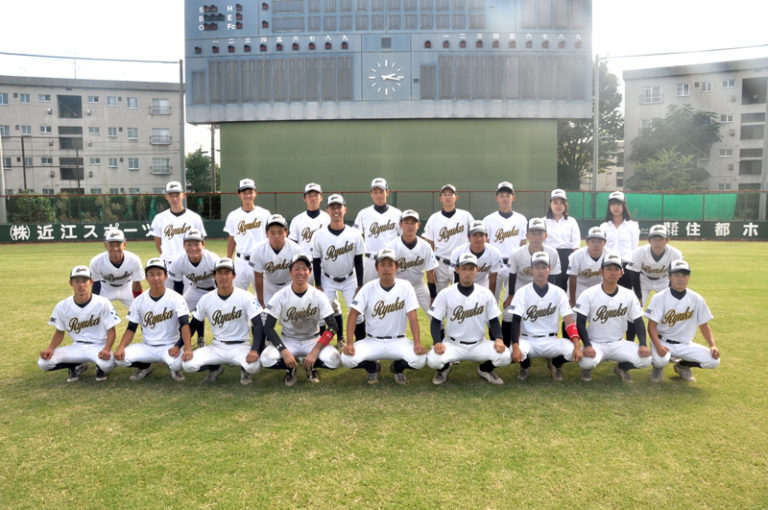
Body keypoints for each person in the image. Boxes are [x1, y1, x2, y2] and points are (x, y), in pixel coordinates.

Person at [341, 248, 426, 384]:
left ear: (396, 267)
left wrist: (417, 343)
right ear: (377, 267)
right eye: (383, 265)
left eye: (390, 265)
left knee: (420, 360)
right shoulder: (368, 287)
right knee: (346, 359)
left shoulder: (405, 286)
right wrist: (350, 343)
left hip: (398, 341)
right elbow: (353, 314)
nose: (386, 268)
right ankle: (373, 367)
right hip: (372, 342)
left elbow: (413, 317)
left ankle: (397, 367)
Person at [426, 253, 511, 385]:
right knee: (432, 360)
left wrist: (499, 339)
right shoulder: (446, 293)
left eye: (471, 268)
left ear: (477, 270)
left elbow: (494, 320)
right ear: (457, 269)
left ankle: (484, 370)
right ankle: (444, 369)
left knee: (505, 356)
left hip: (479, 344)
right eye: (464, 268)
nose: (467, 272)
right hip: (453, 344)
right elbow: (436, 321)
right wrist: (437, 342)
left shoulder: (485, 293)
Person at [500, 251, 583, 382]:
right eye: (537, 267)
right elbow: (515, 321)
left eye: (544, 267)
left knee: (574, 350)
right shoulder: (522, 292)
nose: (540, 271)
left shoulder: (558, 292)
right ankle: (525, 366)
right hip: (528, 341)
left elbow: (568, 320)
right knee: (512, 351)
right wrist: (515, 345)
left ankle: (556, 364)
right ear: (531, 270)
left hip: (551, 340)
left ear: (549, 269)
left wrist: (577, 344)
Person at [260, 254, 341, 385]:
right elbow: (268, 328)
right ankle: (290, 368)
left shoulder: (319, 295)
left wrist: (315, 351)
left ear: (309, 272)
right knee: (266, 359)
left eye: (305, 269)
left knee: (334, 360)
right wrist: (283, 351)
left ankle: (311, 367)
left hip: (312, 339)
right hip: (289, 339)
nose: (301, 272)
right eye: (297, 268)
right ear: (290, 272)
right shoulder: (280, 295)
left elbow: (333, 326)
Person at [181, 258, 263, 385]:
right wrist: (181, 346)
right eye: (219, 273)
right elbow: (193, 326)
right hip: (217, 346)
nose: (223, 276)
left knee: (254, 366)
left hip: (241, 346)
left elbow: (258, 325)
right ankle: (216, 368)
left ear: (233, 275)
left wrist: (254, 350)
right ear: (214, 275)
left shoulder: (246, 296)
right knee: (187, 365)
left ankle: (244, 370)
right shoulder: (206, 299)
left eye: (227, 272)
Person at [573, 253, 651, 382]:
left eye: (616, 269)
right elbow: (580, 323)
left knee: (646, 360)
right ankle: (588, 368)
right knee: (586, 362)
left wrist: (643, 344)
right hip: (595, 343)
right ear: (601, 272)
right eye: (608, 269)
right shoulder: (588, 294)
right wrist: (587, 345)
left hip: (618, 343)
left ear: (621, 273)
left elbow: (638, 321)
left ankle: (621, 368)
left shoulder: (629, 294)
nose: (612, 272)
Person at [113, 258, 192, 382]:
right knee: (119, 358)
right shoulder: (139, 300)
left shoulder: (176, 298)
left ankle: (174, 368)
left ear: (165, 276)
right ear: (146, 277)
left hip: (170, 346)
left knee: (177, 363)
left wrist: (186, 348)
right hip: (147, 346)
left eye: (159, 274)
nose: (156, 278)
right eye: (151, 274)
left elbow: (184, 325)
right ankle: (145, 367)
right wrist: (121, 347)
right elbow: (131, 328)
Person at [38, 265, 121, 382]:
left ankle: (100, 367)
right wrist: (51, 348)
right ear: (70, 283)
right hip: (76, 346)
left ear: (91, 282)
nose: (81, 285)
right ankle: (75, 366)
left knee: (107, 364)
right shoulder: (62, 305)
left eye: (84, 281)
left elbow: (111, 330)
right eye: (76, 281)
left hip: (99, 346)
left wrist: (107, 349)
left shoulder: (102, 303)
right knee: (43, 363)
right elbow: (59, 332)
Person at [646, 259, 720, 383]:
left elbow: (704, 325)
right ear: (669, 277)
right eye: (676, 275)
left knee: (714, 361)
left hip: (685, 344)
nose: (680, 278)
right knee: (661, 360)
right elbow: (651, 326)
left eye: (684, 275)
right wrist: (658, 346)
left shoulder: (696, 298)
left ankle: (683, 365)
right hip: (663, 341)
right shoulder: (660, 297)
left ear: (689, 277)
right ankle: (658, 368)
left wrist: (712, 345)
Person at [312, 193, 365, 347]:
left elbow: (358, 261)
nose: (336, 210)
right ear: (327, 210)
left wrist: (360, 284)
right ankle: (323, 348)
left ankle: (361, 346)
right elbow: (316, 261)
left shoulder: (354, 233)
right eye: (332, 207)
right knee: (322, 315)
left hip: (350, 279)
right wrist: (319, 285)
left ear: (345, 210)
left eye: (339, 207)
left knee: (358, 313)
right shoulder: (319, 235)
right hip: (327, 279)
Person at [168, 229, 219, 348]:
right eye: (189, 244)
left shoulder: (212, 259)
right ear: (183, 245)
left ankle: (221, 341)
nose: (193, 248)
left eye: (196, 244)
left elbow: (221, 282)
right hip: (195, 289)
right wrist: (178, 305)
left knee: (221, 314)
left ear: (203, 244)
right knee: (176, 312)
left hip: (215, 290)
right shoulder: (178, 261)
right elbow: (178, 286)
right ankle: (173, 341)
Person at [150, 181, 207, 288]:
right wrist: (168, 255)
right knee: (168, 297)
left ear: (183, 195)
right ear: (166, 196)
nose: (174, 198)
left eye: (177, 194)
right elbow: (158, 243)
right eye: (171, 195)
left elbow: (201, 242)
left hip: (188, 263)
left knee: (188, 298)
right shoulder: (159, 218)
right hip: (167, 263)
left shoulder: (194, 217)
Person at [422, 184, 475, 293]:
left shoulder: (466, 216)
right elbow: (430, 245)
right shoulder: (434, 218)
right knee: (441, 297)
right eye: (444, 194)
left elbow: (475, 239)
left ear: (456, 197)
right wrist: (431, 268)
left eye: (451, 194)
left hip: (461, 263)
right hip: (440, 264)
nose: (447, 197)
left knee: (460, 297)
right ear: (440, 198)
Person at [386, 209, 438, 313]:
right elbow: (386, 271)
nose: (410, 226)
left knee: (435, 315)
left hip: (418, 285)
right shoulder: (392, 246)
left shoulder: (425, 246)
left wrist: (433, 296)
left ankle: (440, 330)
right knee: (394, 318)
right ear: (401, 225)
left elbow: (430, 273)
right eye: (406, 223)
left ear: (418, 225)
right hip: (398, 287)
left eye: (413, 223)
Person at [482, 181, 527, 303]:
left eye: (508, 195)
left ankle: (509, 323)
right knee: (491, 300)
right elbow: (485, 245)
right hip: (494, 264)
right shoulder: (488, 219)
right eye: (502, 195)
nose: (505, 198)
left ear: (513, 197)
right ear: (497, 198)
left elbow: (523, 244)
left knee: (513, 301)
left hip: (513, 264)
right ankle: (492, 323)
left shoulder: (521, 219)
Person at [224, 178, 271, 290]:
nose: (247, 195)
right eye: (244, 192)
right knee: (238, 294)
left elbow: (270, 238)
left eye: (250, 192)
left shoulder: (264, 214)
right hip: (240, 261)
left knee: (262, 295)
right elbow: (232, 239)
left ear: (255, 193)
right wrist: (229, 259)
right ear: (239, 194)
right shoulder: (233, 215)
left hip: (259, 260)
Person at [353, 177, 402, 283]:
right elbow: (355, 237)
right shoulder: (363, 213)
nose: (378, 195)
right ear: (371, 194)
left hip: (390, 259)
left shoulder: (397, 213)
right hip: (370, 260)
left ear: (387, 192)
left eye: (381, 191)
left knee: (391, 293)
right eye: (375, 192)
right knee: (368, 292)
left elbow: (402, 238)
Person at [250, 214, 303, 309]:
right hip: (268, 284)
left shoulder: (295, 249)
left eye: (280, 232)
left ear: (286, 232)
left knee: (295, 316)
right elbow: (258, 276)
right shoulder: (258, 250)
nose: (276, 236)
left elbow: (299, 274)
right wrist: (261, 302)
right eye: (272, 232)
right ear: (266, 233)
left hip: (288, 284)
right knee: (261, 317)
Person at [505, 217, 561, 304]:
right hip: (519, 290)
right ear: (527, 236)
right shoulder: (516, 253)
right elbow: (512, 275)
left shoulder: (552, 253)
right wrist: (511, 295)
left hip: (542, 290)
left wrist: (550, 295)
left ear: (545, 236)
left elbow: (553, 277)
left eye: (539, 234)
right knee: (508, 316)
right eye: (533, 234)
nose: (536, 237)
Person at [627, 224, 683, 306]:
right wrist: (639, 297)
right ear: (649, 240)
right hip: (643, 280)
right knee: (634, 306)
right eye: (654, 239)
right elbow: (634, 275)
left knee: (669, 307)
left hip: (663, 281)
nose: (657, 243)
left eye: (660, 239)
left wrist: (670, 294)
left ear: (667, 240)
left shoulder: (675, 254)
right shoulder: (639, 252)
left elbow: (675, 275)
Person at [89, 228, 144, 308]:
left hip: (127, 287)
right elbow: (96, 285)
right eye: (111, 244)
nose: (115, 248)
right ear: (105, 245)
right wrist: (94, 304)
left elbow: (137, 286)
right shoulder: (96, 262)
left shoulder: (134, 260)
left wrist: (139, 304)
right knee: (96, 312)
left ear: (124, 244)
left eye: (118, 244)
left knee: (141, 309)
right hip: (106, 288)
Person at [288, 182, 330, 285]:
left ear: (321, 197)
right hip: (304, 264)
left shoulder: (328, 219)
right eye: (309, 195)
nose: (313, 198)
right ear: (304, 198)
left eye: (316, 195)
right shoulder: (297, 220)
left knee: (329, 298)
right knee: (304, 297)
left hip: (324, 264)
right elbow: (291, 245)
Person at [449, 220, 504, 296]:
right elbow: (456, 277)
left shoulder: (494, 252)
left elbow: (493, 278)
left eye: (481, 235)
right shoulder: (458, 252)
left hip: (483, 283)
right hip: (462, 283)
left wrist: (491, 296)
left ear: (486, 236)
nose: (478, 239)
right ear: (469, 237)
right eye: (475, 235)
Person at [543, 189, 580, 293]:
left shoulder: (571, 221)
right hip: (549, 255)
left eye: (561, 202)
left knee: (566, 286)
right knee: (549, 284)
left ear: (565, 205)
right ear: (550, 204)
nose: (558, 205)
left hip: (567, 256)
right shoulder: (543, 221)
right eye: (555, 202)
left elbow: (576, 244)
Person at [567, 226, 611, 308]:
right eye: (592, 241)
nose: (596, 245)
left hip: (598, 287)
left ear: (605, 243)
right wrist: (572, 300)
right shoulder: (576, 256)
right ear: (587, 242)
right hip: (579, 287)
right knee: (574, 315)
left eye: (600, 241)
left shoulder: (609, 255)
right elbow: (572, 277)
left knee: (599, 315)